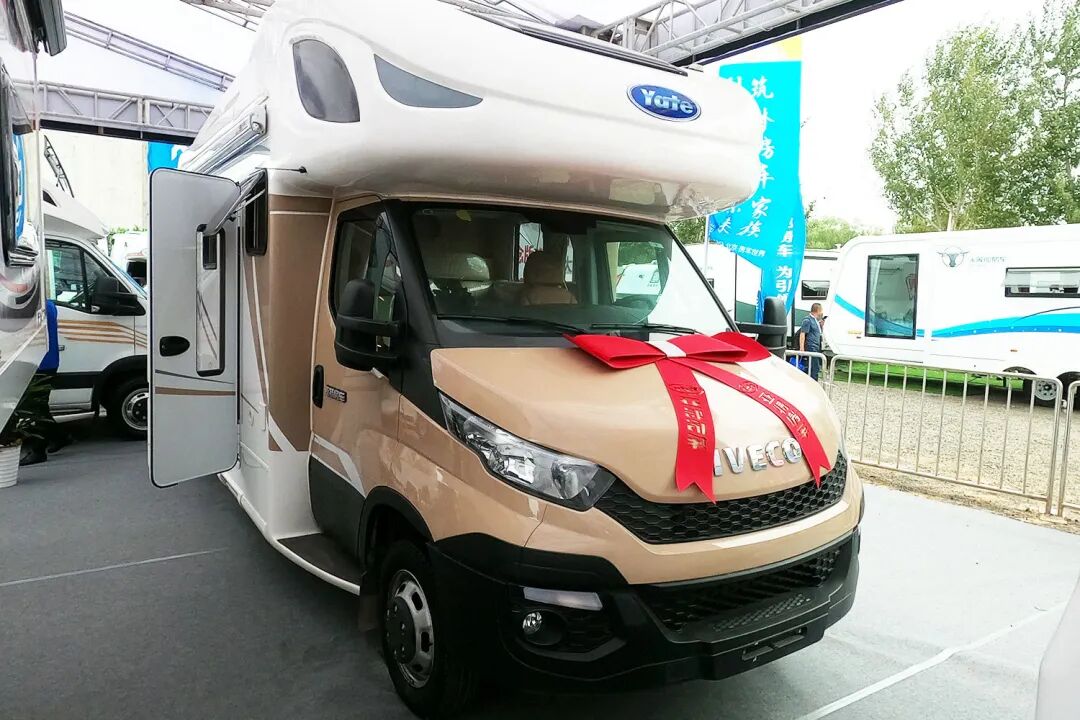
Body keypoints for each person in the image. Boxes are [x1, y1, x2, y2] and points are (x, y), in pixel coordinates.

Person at [20, 299, 72, 466]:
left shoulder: (38, 306)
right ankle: (60, 436)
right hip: (47, 361)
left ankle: (39, 449)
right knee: (39, 406)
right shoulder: (48, 304)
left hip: (41, 362)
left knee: (35, 407)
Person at [798, 302, 824, 381]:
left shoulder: (815, 320)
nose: (822, 312)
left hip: (816, 347)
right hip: (811, 347)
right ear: (817, 310)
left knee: (814, 368)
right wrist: (802, 348)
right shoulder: (807, 320)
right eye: (821, 310)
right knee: (814, 368)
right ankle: (813, 383)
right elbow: (802, 334)